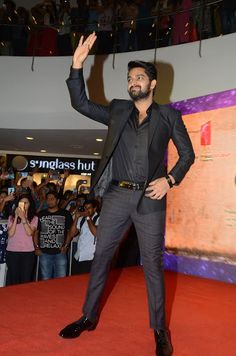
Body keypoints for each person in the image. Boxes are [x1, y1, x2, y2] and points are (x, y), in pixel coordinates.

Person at [59, 32, 195, 356]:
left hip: (151, 198)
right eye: (130, 77)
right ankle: (88, 317)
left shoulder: (168, 116)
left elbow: (187, 155)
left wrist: (170, 181)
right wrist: (77, 65)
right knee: (101, 257)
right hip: (117, 197)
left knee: (152, 265)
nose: (133, 81)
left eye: (139, 77)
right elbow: (81, 103)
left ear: (153, 83)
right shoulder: (118, 110)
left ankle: (160, 330)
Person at [34, 191, 73, 280]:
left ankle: (59, 294)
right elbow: (35, 233)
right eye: (48, 199)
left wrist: (66, 246)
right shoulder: (41, 214)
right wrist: (36, 248)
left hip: (60, 252)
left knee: (61, 280)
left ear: (58, 200)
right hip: (44, 252)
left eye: (52, 199)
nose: (49, 201)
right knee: (45, 279)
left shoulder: (65, 214)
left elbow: (69, 231)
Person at [6, 194, 38, 285]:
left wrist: (23, 217)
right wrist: (16, 217)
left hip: (27, 252)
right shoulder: (11, 218)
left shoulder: (34, 218)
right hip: (12, 252)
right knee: (13, 279)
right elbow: (10, 234)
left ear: (30, 204)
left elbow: (29, 233)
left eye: (26, 203)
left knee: (26, 280)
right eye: (21, 203)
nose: (23, 205)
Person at [71, 199, 99, 275]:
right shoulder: (81, 219)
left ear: (95, 208)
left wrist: (88, 217)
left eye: (89, 208)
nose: (87, 210)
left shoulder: (100, 219)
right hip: (78, 256)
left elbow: (96, 233)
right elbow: (72, 234)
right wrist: (76, 218)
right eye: (85, 208)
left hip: (91, 257)